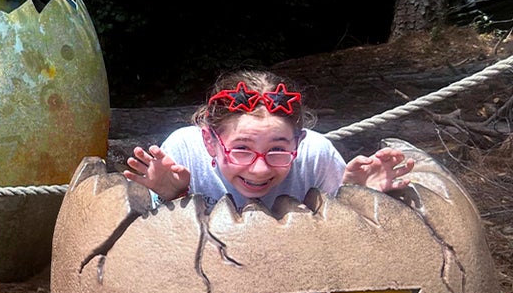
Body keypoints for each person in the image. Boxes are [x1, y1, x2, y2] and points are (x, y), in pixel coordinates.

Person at [124, 69, 415, 209]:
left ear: (298, 143)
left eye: (277, 150)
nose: (259, 169)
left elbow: (344, 242)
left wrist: (355, 194)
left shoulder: (316, 156)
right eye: (242, 149)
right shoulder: (184, 152)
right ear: (210, 141)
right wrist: (171, 195)